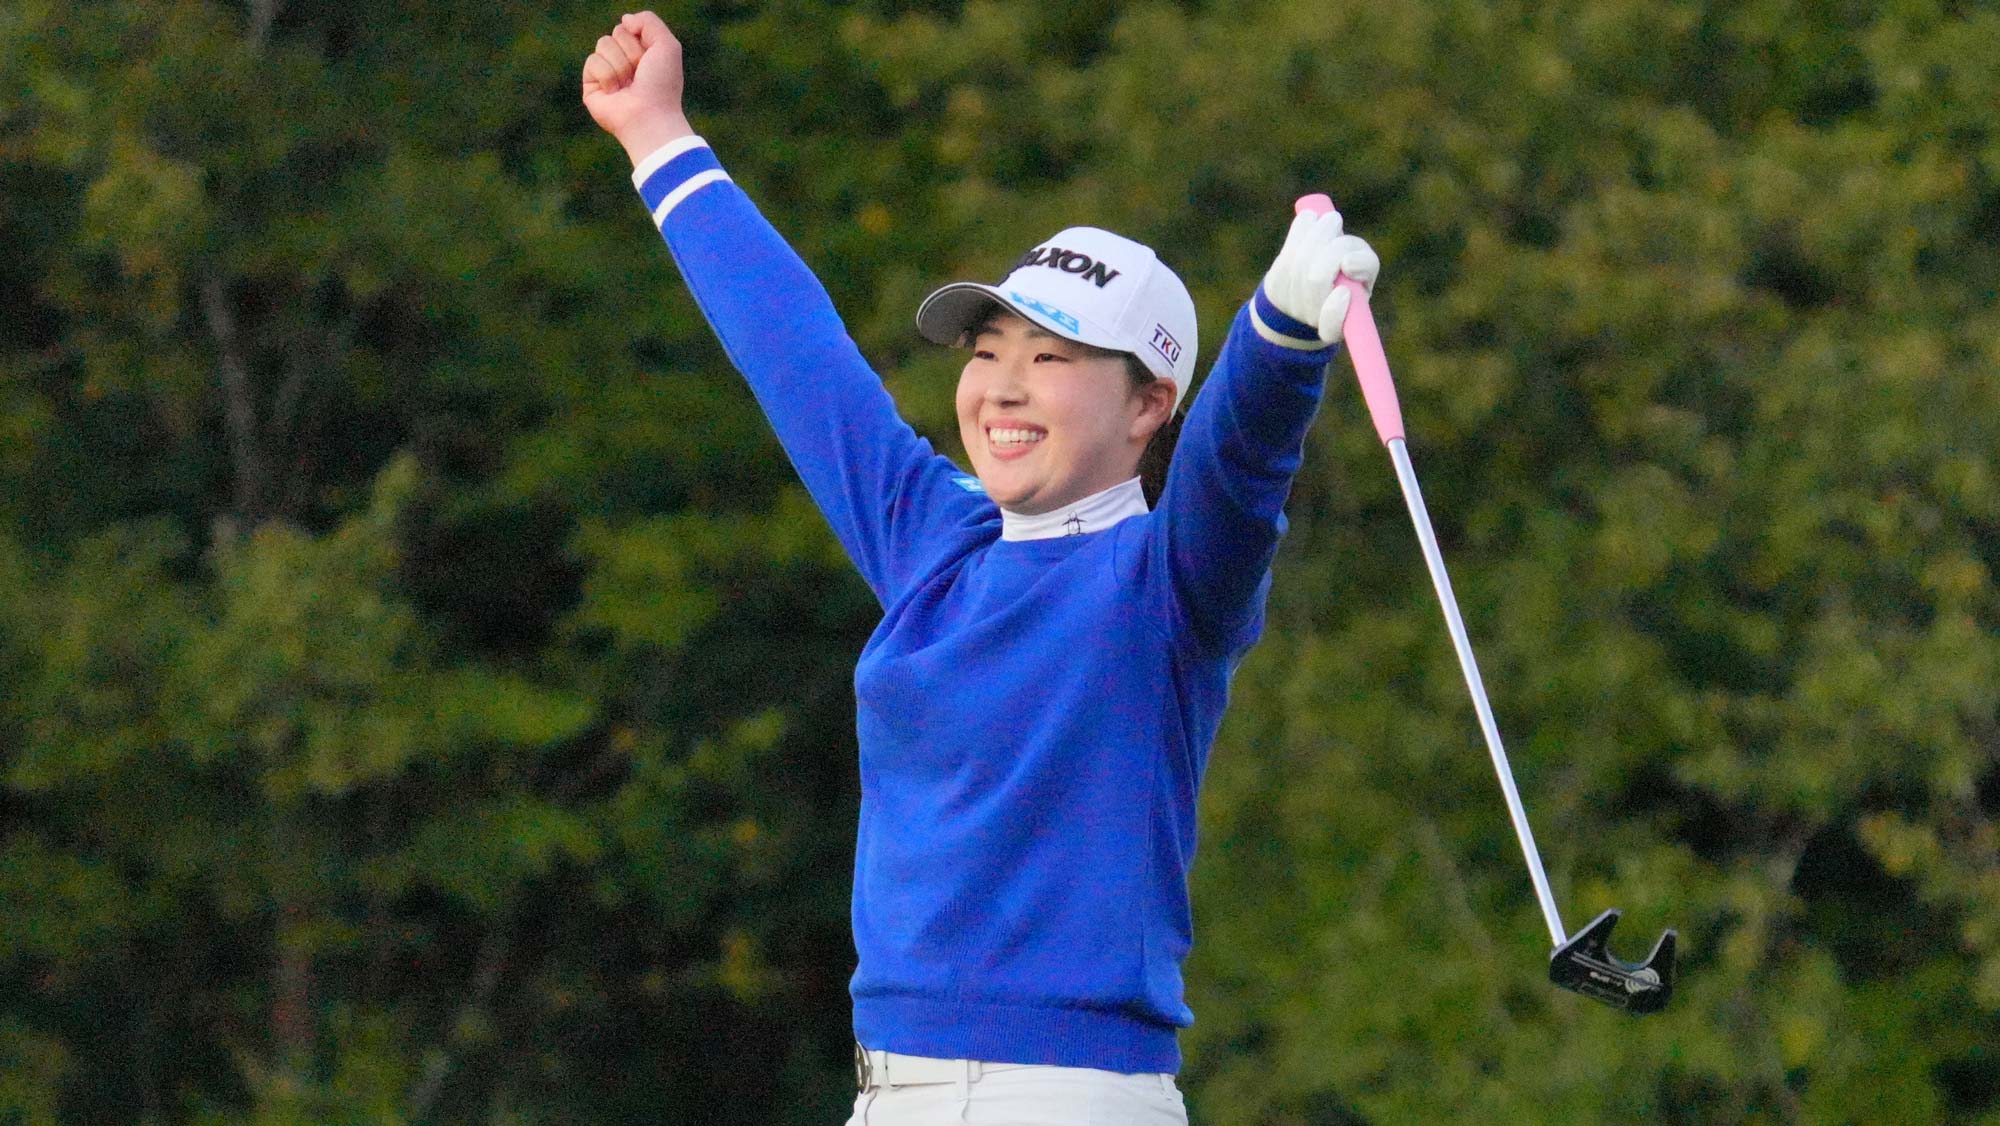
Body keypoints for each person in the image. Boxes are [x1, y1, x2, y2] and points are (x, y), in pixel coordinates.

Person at [582, 12, 1380, 1124]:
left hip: (1068, 1097)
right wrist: (658, 136)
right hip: (886, 1090)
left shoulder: (1169, 578)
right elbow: (796, 356)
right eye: (988, 352)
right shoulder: (933, 545)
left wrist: (1281, 329)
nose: (1001, 388)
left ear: (1148, 405)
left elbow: (1238, 458)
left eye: (1049, 358)